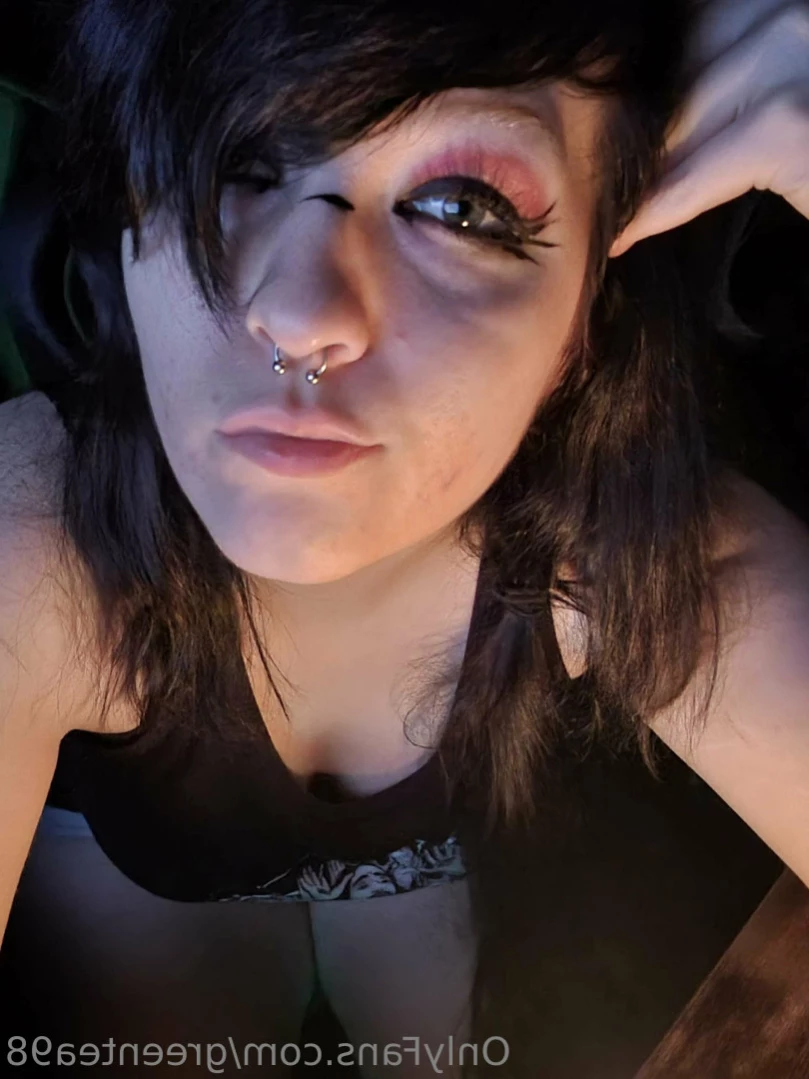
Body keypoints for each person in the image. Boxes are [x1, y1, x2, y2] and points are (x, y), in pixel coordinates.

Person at [1, 0, 808, 1075]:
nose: (298, 314)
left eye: (460, 206)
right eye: (229, 160)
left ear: (584, 317)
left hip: (409, 869)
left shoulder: (639, 553)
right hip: (143, 877)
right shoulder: (32, 543)